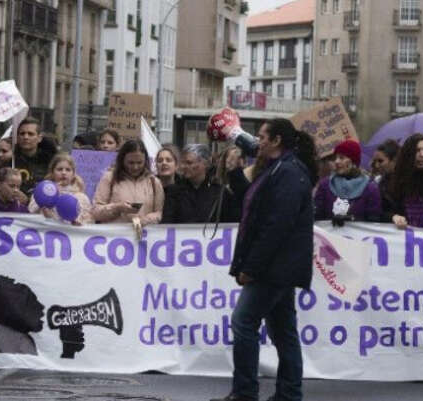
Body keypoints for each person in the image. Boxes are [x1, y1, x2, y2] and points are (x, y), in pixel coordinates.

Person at [211, 119, 315, 401]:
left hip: (274, 268)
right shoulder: (278, 170)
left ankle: (246, 392)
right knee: (283, 330)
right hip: (279, 266)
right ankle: (289, 392)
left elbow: (276, 226)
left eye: (262, 137)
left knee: (244, 322)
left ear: (277, 140)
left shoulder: (289, 173)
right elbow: (254, 205)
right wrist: (233, 173)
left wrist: (251, 268)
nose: (258, 142)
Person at [93, 139, 164, 235]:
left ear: (146, 161)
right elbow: (96, 212)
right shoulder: (109, 178)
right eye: (130, 163)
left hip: (144, 239)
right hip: (114, 240)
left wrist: (146, 220)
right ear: (122, 160)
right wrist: (117, 208)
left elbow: (159, 213)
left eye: (139, 163)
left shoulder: (154, 182)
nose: (135, 167)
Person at [163, 144, 241, 224]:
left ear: (205, 163)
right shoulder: (173, 191)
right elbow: (167, 222)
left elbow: (231, 224)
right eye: (183, 163)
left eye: (189, 163)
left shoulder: (221, 192)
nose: (183, 166)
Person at [314, 140, 381, 224]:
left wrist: (352, 220)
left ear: (353, 162)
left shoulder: (370, 189)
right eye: (335, 158)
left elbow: (374, 222)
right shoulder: (325, 185)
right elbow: (316, 217)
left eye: (342, 157)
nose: (337, 161)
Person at [31, 153, 93, 225]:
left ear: (73, 174)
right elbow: (31, 210)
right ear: (52, 173)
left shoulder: (81, 197)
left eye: (68, 170)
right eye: (59, 169)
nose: (64, 173)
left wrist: (78, 222)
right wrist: (50, 197)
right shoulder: (43, 190)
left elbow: (89, 222)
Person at [12, 118, 58, 196]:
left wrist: (28, 200)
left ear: (39, 138)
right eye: (22, 133)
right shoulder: (10, 160)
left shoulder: (52, 162)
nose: (25, 137)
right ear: (17, 137)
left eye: (30, 134)